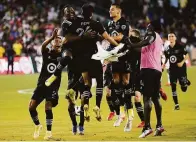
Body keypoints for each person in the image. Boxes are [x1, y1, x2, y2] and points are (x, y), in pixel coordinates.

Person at [120, 23, 165, 138]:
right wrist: (132, 45)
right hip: (157, 69)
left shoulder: (151, 34)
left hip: (148, 69)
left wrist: (131, 43)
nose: (147, 27)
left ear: (153, 28)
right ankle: (159, 125)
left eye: (149, 26)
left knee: (147, 98)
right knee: (155, 98)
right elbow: (143, 49)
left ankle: (147, 127)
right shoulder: (159, 39)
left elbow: (146, 42)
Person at [29, 29, 63, 140]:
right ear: (52, 42)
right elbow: (43, 46)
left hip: (53, 86)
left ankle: (48, 133)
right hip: (41, 85)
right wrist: (51, 38)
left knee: (48, 107)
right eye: (56, 40)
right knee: (31, 107)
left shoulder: (63, 56)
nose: (57, 41)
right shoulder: (47, 52)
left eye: (59, 40)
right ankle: (38, 125)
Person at [106, 3, 132, 130]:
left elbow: (121, 37)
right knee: (116, 81)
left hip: (124, 54)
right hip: (114, 55)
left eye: (112, 9)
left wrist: (109, 38)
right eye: (110, 9)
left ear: (119, 11)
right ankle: (121, 113)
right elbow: (112, 40)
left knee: (126, 81)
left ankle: (129, 112)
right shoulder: (109, 24)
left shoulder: (124, 22)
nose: (110, 11)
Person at [163, 33, 191, 110]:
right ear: (168, 39)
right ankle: (176, 105)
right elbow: (167, 57)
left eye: (172, 36)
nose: (171, 38)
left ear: (175, 38)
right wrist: (164, 64)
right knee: (173, 87)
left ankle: (185, 82)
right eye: (169, 37)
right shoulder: (167, 49)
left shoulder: (180, 46)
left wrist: (182, 63)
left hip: (181, 69)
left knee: (184, 89)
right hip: (172, 70)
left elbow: (187, 55)